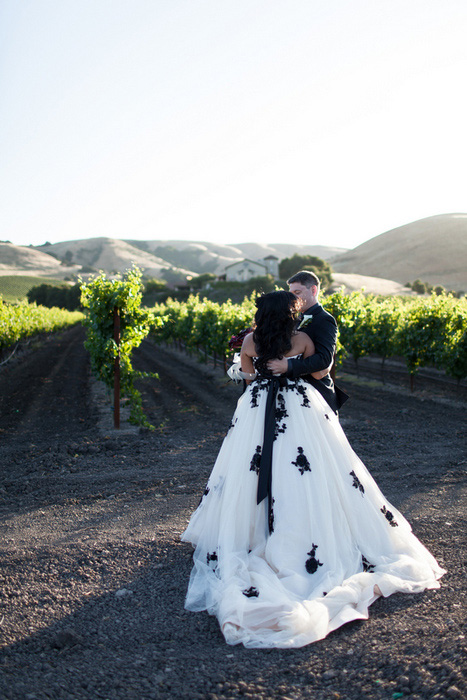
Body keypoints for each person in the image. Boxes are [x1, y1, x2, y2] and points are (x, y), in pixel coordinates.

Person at [181, 291, 445, 649]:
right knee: (315, 469)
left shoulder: (248, 340)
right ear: (290, 314)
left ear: (261, 313)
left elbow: (246, 378)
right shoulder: (303, 339)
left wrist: (261, 371)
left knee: (247, 468)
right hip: (301, 410)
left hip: (257, 410)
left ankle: (250, 534)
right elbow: (320, 370)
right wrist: (291, 367)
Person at [268, 270, 348, 413]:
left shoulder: (325, 319)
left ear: (313, 290)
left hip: (314, 391)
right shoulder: (293, 318)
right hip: (289, 388)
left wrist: (289, 366)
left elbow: (324, 359)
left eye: (297, 292)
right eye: (291, 293)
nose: (293, 298)